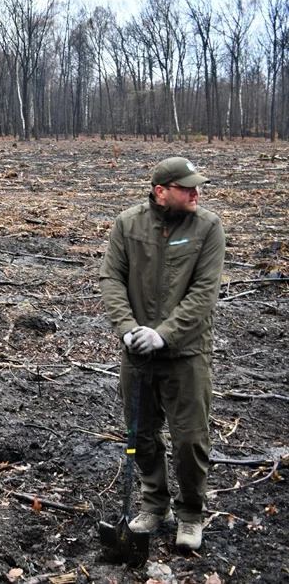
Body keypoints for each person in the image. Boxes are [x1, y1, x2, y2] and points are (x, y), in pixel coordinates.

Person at [99, 157, 225, 551]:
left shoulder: (208, 227)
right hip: (137, 352)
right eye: (187, 187)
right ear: (161, 191)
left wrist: (164, 335)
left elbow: (204, 293)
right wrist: (127, 329)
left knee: (190, 440)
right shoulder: (128, 224)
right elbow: (111, 278)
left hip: (187, 352)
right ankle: (155, 504)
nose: (196, 192)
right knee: (140, 434)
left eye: (197, 186)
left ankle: (190, 513)